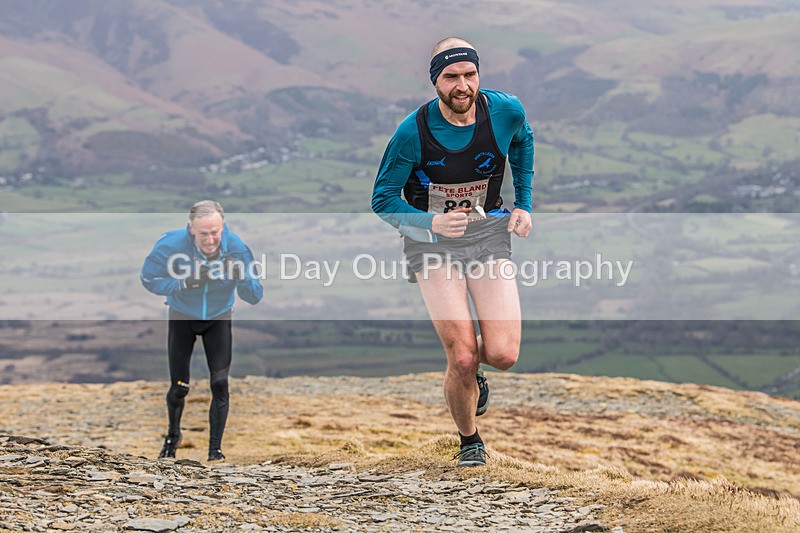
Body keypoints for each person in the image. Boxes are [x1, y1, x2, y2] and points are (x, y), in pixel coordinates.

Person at [371, 37, 533, 466]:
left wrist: (524, 203)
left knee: (503, 354)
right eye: (451, 77)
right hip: (431, 244)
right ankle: (470, 441)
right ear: (435, 82)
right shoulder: (412, 133)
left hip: (487, 232)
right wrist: (432, 223)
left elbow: (523, 140)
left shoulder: (506, 110)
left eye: (469, 74)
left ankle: (473, 371)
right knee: (461, 356)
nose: (462, 85)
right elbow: (382, 200)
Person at [140, 200, 263, 461]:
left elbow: (254, 295)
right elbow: (148, 278)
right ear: (191, 229)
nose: (210, 240)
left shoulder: (237, 248)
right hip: (182, 316)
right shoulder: (171, 245)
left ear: (223, 227)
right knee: (179, 387)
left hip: (218, 317)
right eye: (203, 233)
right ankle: (172, 438)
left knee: (219, 383)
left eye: (215, 232)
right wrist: (182, 283)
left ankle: (215, 452)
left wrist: (241, 275)